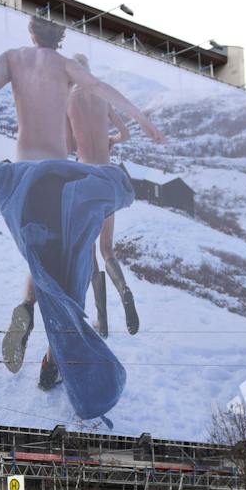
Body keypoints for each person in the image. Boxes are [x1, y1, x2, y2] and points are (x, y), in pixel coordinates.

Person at [0, 19, 165, 416]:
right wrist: (141, 119)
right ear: (59, 39)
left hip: (24, 176)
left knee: (39, 255)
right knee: (70, 269)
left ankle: (27, 308)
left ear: (31, 35)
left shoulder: (12, 59)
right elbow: (99, 88)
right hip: (62, 181)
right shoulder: (64, 67)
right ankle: (52, 359)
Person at [64, 54, 139, 339]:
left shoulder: (69, 100)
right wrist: (109, 140)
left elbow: (69, 144)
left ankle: (103, 322)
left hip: (85, 178)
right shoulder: (102, 95)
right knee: (108, 248)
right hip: (108, 176)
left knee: (90, 250)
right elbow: (125, 134)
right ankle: (125, 291)